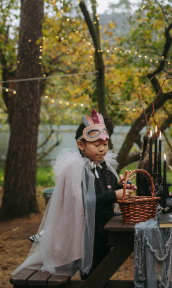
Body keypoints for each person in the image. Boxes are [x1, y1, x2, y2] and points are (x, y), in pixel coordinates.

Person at [13, 108, 134, 278]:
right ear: (81, 145)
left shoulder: (103, 166)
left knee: (104, 267)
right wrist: (115, 195)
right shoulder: (76, 170)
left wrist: (118, 186)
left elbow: (107, 190)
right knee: (93, 271)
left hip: (104, 228)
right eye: (96, 145)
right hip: (87, 232)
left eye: (105, 144)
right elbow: (84, 202)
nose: (102, 149)